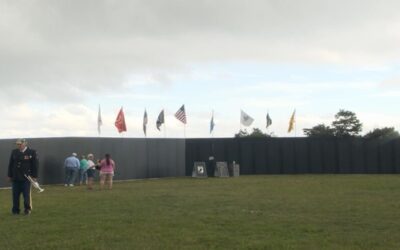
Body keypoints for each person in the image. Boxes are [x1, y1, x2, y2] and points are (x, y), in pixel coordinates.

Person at [7, 138, 39, 215]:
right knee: (15, 195)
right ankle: (15, 210)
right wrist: (9, 175)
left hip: (26, 178)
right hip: (16, 178)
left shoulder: (31, 152)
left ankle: (27, 209)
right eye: (17, 144)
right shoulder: (14, 152)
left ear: (25, 143)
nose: (19, 146)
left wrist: (34, 176)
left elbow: (35, 165)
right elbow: (11, 164)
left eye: (20, 144)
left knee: (26, 195)